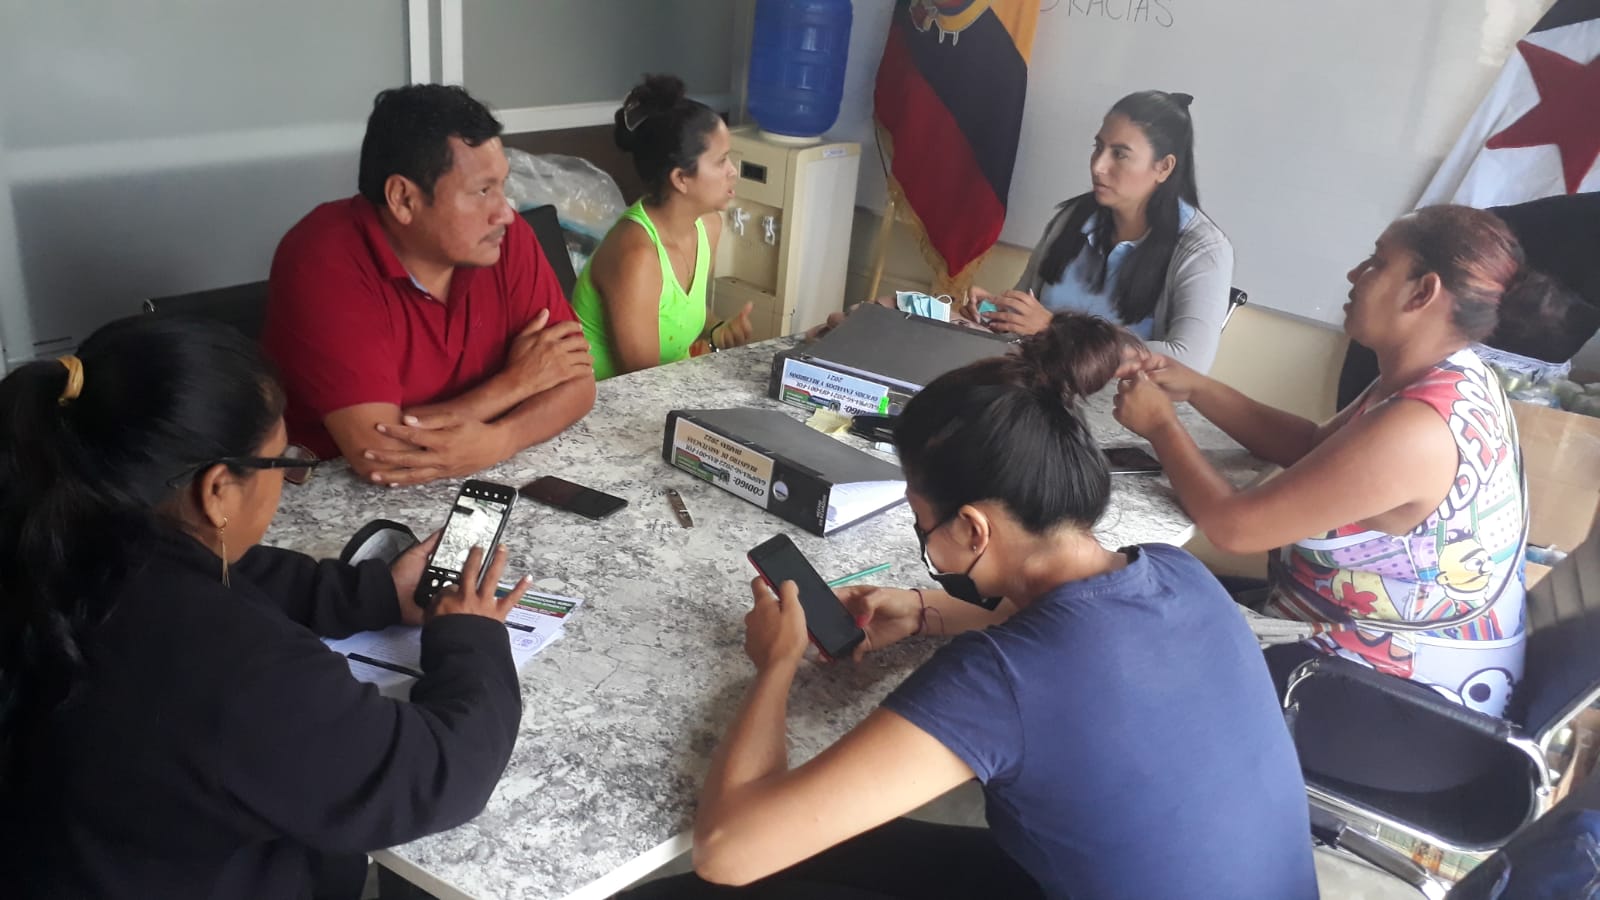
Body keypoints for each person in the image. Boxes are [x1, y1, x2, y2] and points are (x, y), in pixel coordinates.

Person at [626, 314, 1317, 899]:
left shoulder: (997, 680)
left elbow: (729, 850)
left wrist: (776, 663)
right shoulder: (1174, 571)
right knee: (853, 839)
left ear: (974, 528)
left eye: (922, 523)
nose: (924, 540)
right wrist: (924, 608)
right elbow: (1074, 645)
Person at [0, 316, 533, 899]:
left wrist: (374, 592)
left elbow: (232, 570)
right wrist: (471, 637)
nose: (288, 479)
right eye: (283, 462)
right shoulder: (231, 666)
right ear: (218, 490)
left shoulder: (49, 538)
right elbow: (436, 774)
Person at [1114, 204, 1531, 792]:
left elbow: (1234, 528)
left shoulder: (1417, 430)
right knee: (1145, 595)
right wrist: (1197, 389)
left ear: (1423, 292)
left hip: (1397, 710)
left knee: (1125, 654)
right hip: (1369, 661)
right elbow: (1312, 446)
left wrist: (1161, 426)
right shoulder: (1447, 375)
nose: (1355, 275)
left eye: (1378, 262)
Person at [264, 84, 595, 487]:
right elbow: (379, 455)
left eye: (502, 186)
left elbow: (577, 382)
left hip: (474, 477)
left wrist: (503, 439)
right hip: (331, 491)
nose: (505, 213)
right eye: (482, 191)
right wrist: (515, 385)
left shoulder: (505, 241)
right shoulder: (323, 259)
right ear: (403, 199)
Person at [571, 74, 754, 381]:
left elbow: (679, 315)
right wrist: (712, 346)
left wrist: (719, 329)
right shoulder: (637, 256)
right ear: (680, 178)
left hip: (666, 390)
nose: (732, 171)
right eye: (721, 161)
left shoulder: (708, 226)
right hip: (606, 402)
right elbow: (645, 383)